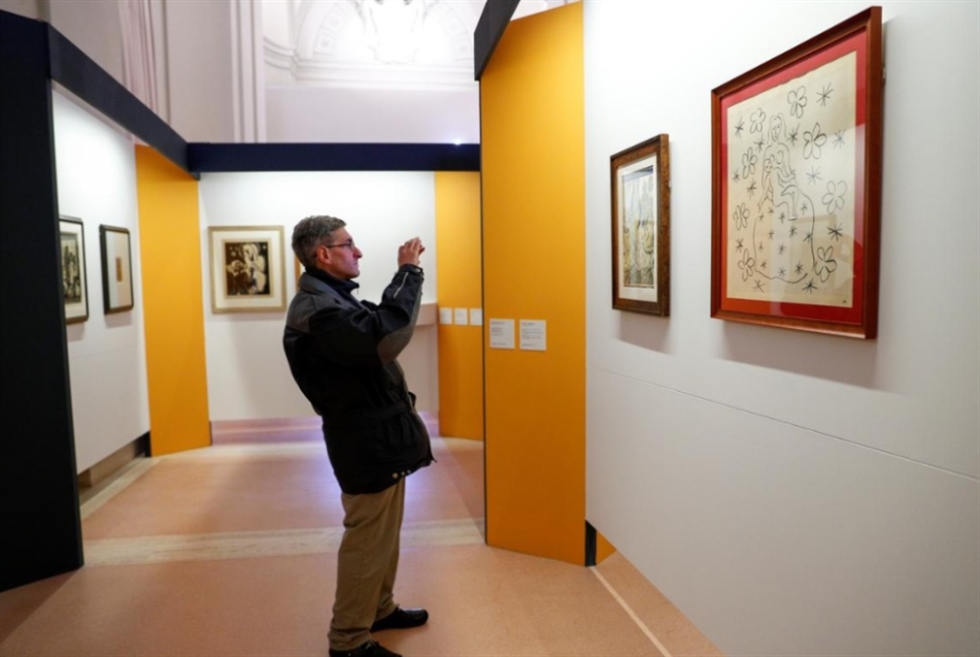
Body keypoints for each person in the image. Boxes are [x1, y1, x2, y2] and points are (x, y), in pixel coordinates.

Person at [283, 215, 434, 657]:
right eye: (348, 244)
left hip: (381, 438)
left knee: (384, 534)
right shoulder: (318, 310)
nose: (358, 251)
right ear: (323, 254)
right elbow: (383, 338)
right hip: (365, 442)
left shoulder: (332, 298)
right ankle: (348, 639)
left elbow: (377, 331)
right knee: (367, 539)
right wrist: (408, 272)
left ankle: (379, 609)